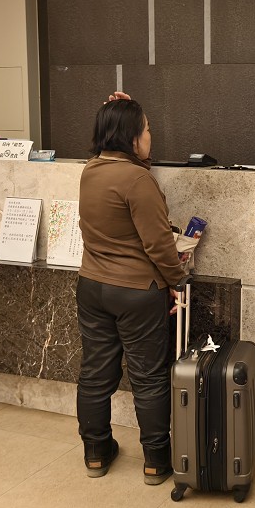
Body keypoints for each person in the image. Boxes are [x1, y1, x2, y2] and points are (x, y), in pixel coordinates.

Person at [76, 91, 185, 485]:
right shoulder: (138, 180)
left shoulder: (91, 170)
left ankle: (95, 452)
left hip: (92, 287)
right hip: (137, 292)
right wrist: (177, 282)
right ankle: (156, 460)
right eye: (147, 129)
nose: (150, 136)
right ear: (132, 137)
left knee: (95, 373)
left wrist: (123, 108)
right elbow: (159, 244)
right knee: (148, 377)